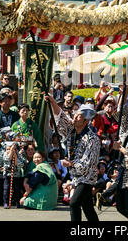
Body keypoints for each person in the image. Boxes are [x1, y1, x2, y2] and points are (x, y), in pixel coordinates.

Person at [45, 94, 100, 222]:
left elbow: (88, 163)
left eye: (79, 116)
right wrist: (52, 101)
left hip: (87, 178)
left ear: (85, 121)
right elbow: (60, 115)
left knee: (74, 203)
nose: (75, 117)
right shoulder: (72, 129)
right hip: (76, 176)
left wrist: (70, 164)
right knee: (88, 208)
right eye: (75, 114)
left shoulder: (92, 139)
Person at [2, 141, 25, 208]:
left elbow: (21, 164)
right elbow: (7, 159)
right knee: (6, 189)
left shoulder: (19, 155)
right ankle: (5, 202)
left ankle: (17, 202)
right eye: (8, 149)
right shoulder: (5, 154)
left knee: (16, 189)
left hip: (16, 175)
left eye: (12, 149)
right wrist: (11, 152)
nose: (9, 150)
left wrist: (15, 156)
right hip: (7, 175)